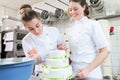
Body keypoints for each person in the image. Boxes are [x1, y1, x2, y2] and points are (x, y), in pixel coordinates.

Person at [67, 0, 109, 79]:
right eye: (70, 9)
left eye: (75, 9)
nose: (72, 12)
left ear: (84, 7)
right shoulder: (71, 29)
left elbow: (104, 52)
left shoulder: (93, 24)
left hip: (91, 73)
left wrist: (87, 70)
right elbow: (74, 53)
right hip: (74, 73)